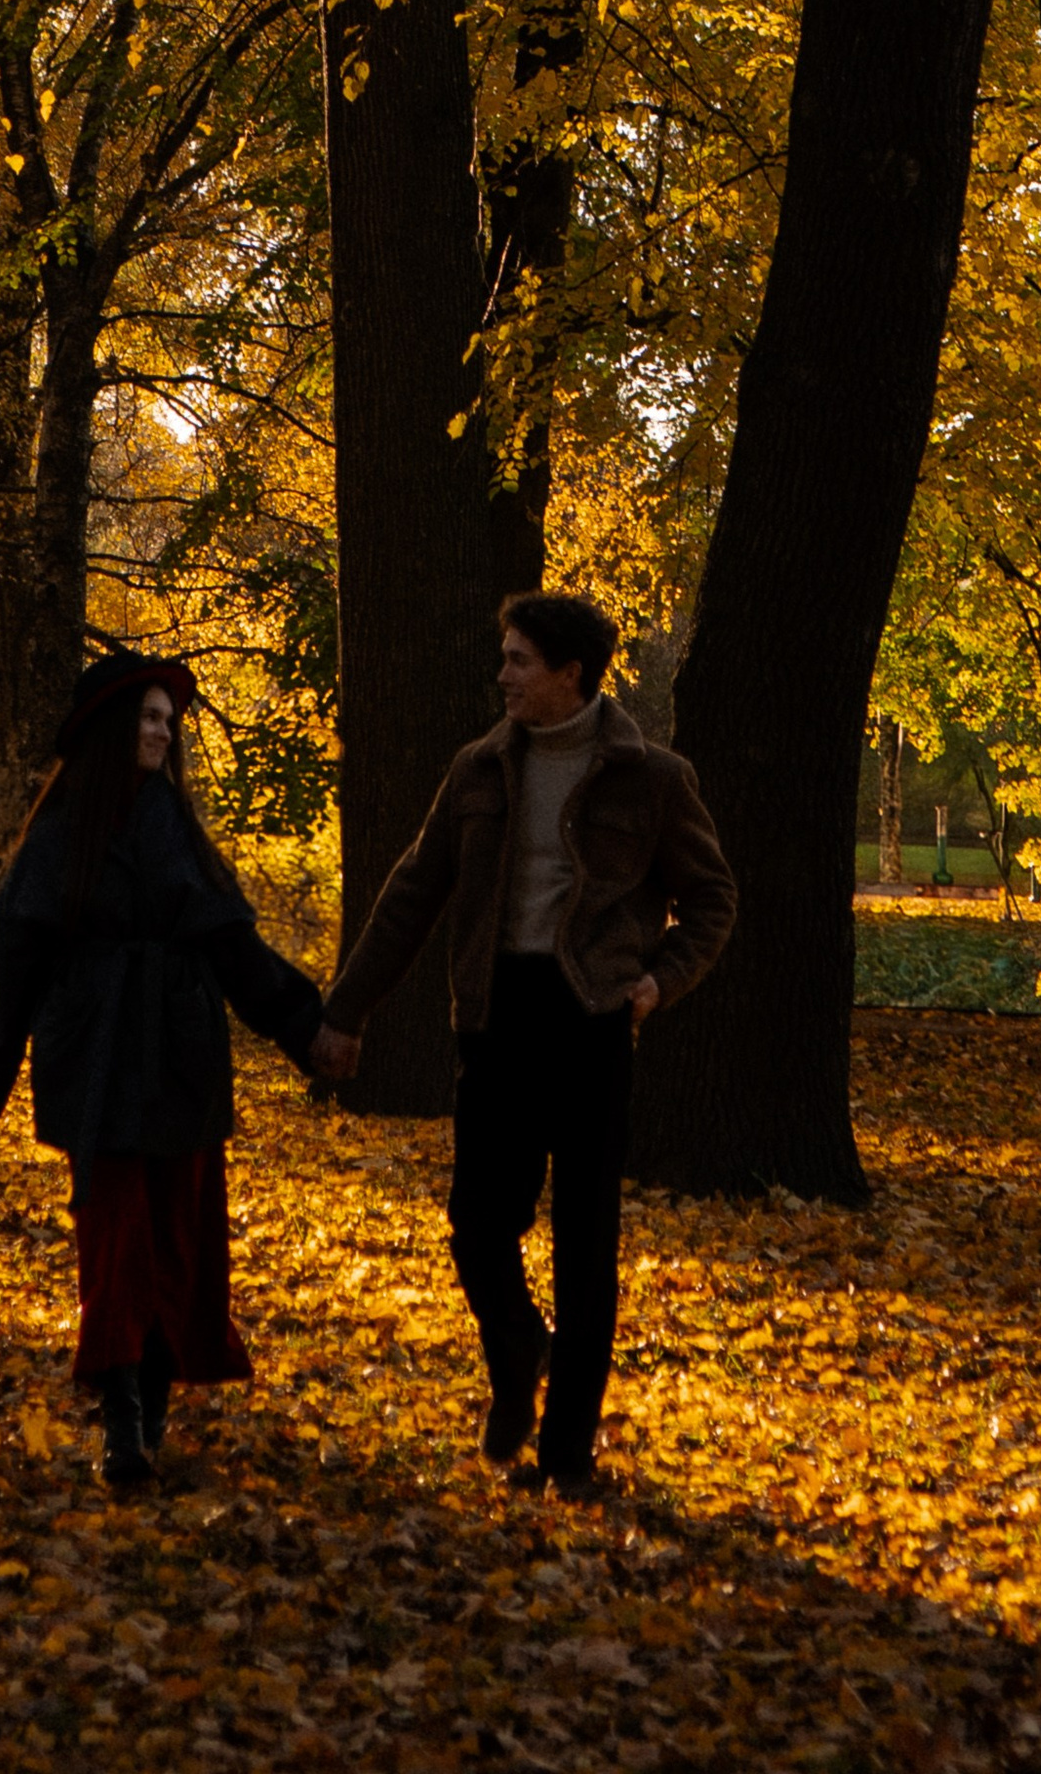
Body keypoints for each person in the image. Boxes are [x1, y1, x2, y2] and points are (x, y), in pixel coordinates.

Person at [317, 590, 737, 1493]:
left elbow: (712, 899)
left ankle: (568, 1456)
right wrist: (346, 1011)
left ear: (568, 673)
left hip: (590, 1020)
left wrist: (660, 980)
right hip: (498, 1017)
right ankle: (517, 1355)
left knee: (586, 1246)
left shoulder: (653, 777)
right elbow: (410, 895)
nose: (501, 675)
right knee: (478, 1223)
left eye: (517, 660)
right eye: (503, 657)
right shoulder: (478, 769)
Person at [0, 651, 355, 1491]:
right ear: (109, 729)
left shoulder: (182, 836)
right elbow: (15, 967)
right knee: (115, 1238)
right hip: (93, 1058)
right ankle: (122, 1418)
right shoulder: (56, 839)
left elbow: (237, 953)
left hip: (181, 1059)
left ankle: (151, 1411)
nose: (163, 732)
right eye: (148, 717)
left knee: (176, 1239)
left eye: (170, 721)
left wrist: (306, 1029)